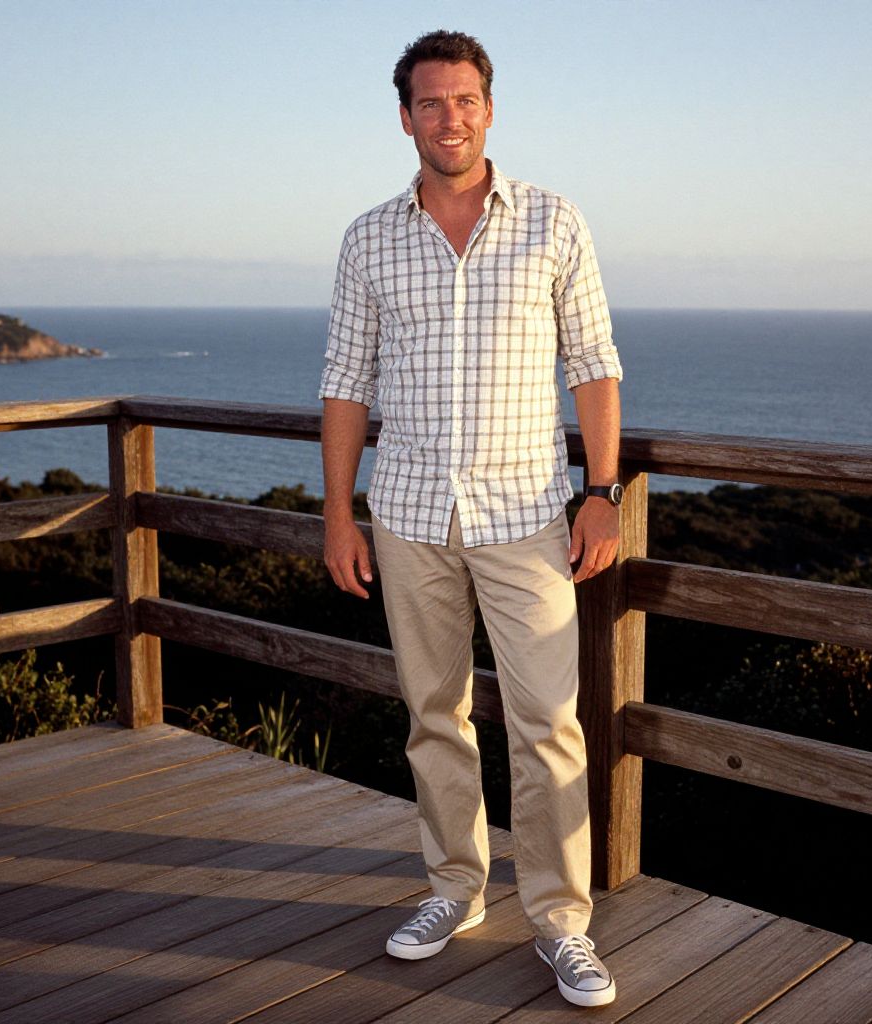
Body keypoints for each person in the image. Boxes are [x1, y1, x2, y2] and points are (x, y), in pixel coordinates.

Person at [319, 29, 623, 1009]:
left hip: (529, 517)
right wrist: (337, 511)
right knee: (433, 718)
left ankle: (562, 923)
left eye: (463, 99)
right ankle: (454, 888)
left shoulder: (552, 221)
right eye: (429, 102)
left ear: (489, 107)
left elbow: (593, 363)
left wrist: (603, 493)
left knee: (549, 726)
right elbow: (344, 385)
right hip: (406, 515)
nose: (448, 117)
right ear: (403, 116)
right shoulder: (369, 237)